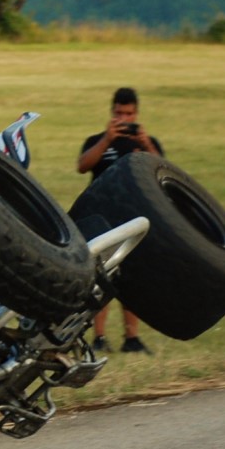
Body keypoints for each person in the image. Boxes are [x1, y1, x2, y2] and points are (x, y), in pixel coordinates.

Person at [77, 86, 165, 353]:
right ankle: (99, 338)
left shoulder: (145, 143)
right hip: (103, 217)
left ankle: (132, 338)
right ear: (111, 112)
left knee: (133, 280)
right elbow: (82, 165)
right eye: (119, 114)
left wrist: (145, 144)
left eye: (128, 114)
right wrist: (107, 139)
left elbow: (162, 169)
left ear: (136, 113)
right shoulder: (98, 139)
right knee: (102, 280)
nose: (124, 119)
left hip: (135, 217)